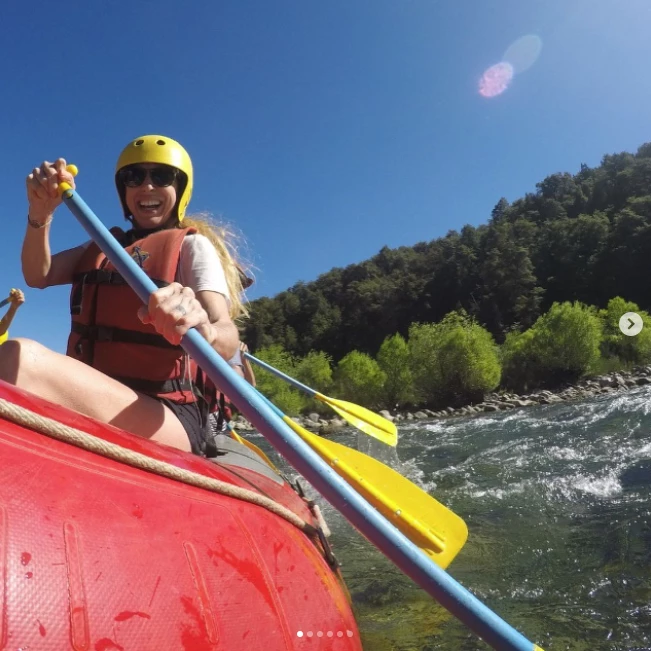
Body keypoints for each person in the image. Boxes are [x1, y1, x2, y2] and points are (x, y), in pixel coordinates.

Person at [0, 134, 250, 455]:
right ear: (124, 191)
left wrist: (204, 328)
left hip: (167, 413)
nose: (146, 186)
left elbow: (227, 331)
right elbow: (38, 275)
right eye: (134, 177)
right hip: (99, 393)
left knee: (18, 359)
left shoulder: (193, 247)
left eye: (161, 176)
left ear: (180, 188)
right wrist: (41, 212)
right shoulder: (103, 246)